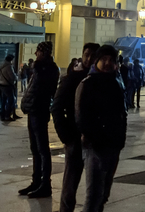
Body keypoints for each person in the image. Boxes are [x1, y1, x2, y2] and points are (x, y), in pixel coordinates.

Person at [75, 44, 127, 212]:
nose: (107, 63)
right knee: (94, 194)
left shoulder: (116, 82)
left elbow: (121, 113)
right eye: (104, 59)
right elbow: (81, 116)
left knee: (104, 193)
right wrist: (93, 138)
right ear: (97, 61)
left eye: (111, 60)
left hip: (113, 145)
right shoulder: (88, 83)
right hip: (95, 147)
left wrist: (120, 139)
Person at [50, 41, 99, 211]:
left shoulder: (101, 80)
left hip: (95, 140)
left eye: (93, 56)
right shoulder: (72, 78)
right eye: (87, 55)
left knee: (95, 189)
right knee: (70, 186)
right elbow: (56, 107)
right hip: (75, 139)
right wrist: (66, 136)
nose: (89, 59)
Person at [20, 41, 60, 198]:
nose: (35, 54)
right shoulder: (40, 68)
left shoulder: (48, 68)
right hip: (33, 109)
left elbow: (43, 88)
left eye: (38, 51)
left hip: (39, 110)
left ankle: (45, 184)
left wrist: (37, 67)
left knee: (42, 149)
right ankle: (36, 181)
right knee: (35, 148)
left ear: (43, 53)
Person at [0, 54, 18, 121]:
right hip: (7, 86)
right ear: (11, 60)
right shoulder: (9, 67)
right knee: (11, 101)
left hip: (1, 85)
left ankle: (3, 116)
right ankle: (7, 116)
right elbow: (13, 77)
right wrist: (16, 77)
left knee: (3, 101)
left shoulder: (1, 66)